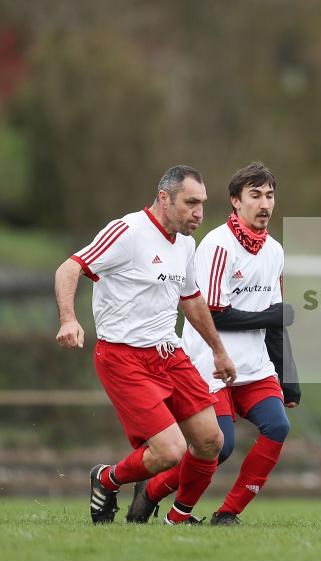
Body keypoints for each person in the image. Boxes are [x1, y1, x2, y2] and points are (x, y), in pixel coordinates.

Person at [54, 165, 237, 525]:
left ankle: (178, 518)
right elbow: (69, 267)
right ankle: (106, 479)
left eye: (202, 203)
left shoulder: (185, 242)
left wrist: (218, 350)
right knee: (170, 451)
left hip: (168, 353)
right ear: (164, 198)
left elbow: (192, 298)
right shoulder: (128, 231)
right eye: (190, 203)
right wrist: (68, 319)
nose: (198, 213)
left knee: (211, 442)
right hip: (123, 358)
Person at [127, 161, 300, 526]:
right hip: (209, 366)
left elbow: (275, 320)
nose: (265, 204)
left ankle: (226, 514)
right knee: (219, 447)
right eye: (255, 196)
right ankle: (153, 490)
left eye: (269, 195)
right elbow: (213, 313)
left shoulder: (275, 252)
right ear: (235, 202)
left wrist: (289, 375)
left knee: (278, 427)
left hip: (255, 369)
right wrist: (271, 317)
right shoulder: (217, 245)